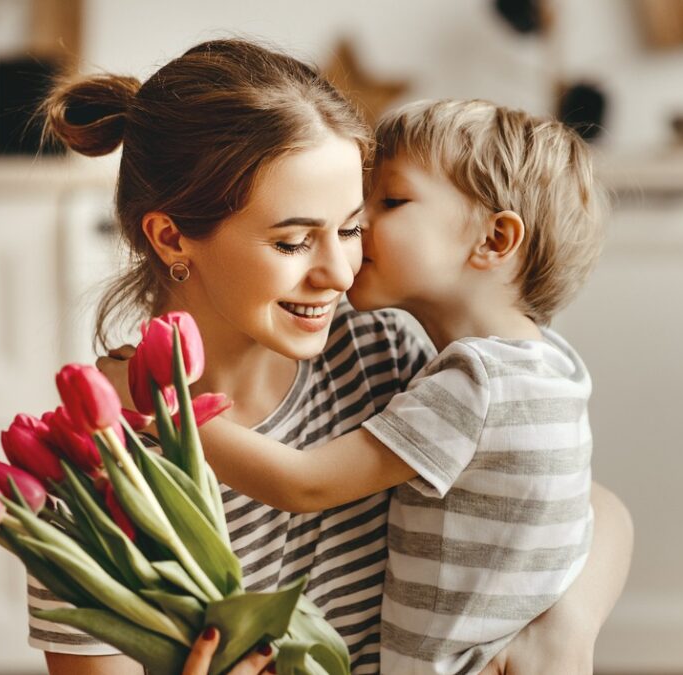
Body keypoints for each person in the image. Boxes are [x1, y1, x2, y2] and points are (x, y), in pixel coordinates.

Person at [36, 38, 632, 675]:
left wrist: (567, 627)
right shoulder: (99, 474)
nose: (340, 273)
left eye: (351, 229)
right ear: (172, 236)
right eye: (293, 242)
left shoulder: (381, 355)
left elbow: (581, 503)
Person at [183, 98, 604, 675]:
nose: (360, 225)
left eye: (391, 201)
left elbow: (304, 484)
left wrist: (163, 408)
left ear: (494, 239)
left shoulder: (475, 387)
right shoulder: (550, 364)